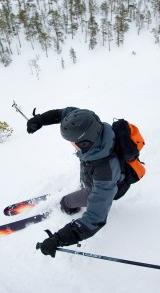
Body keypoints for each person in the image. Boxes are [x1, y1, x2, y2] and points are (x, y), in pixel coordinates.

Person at [26, 107, 123, 257]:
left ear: (85, 142)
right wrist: (40, 120)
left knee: (66, 202)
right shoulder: (89, 122)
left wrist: (58, 239)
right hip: (95, 178)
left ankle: (70, 208)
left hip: (100, 189)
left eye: (73, 141)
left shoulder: (105, 171)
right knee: (87, 176)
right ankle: (84, 186)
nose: (71, 144)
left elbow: (95, 219)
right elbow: (63, 114)